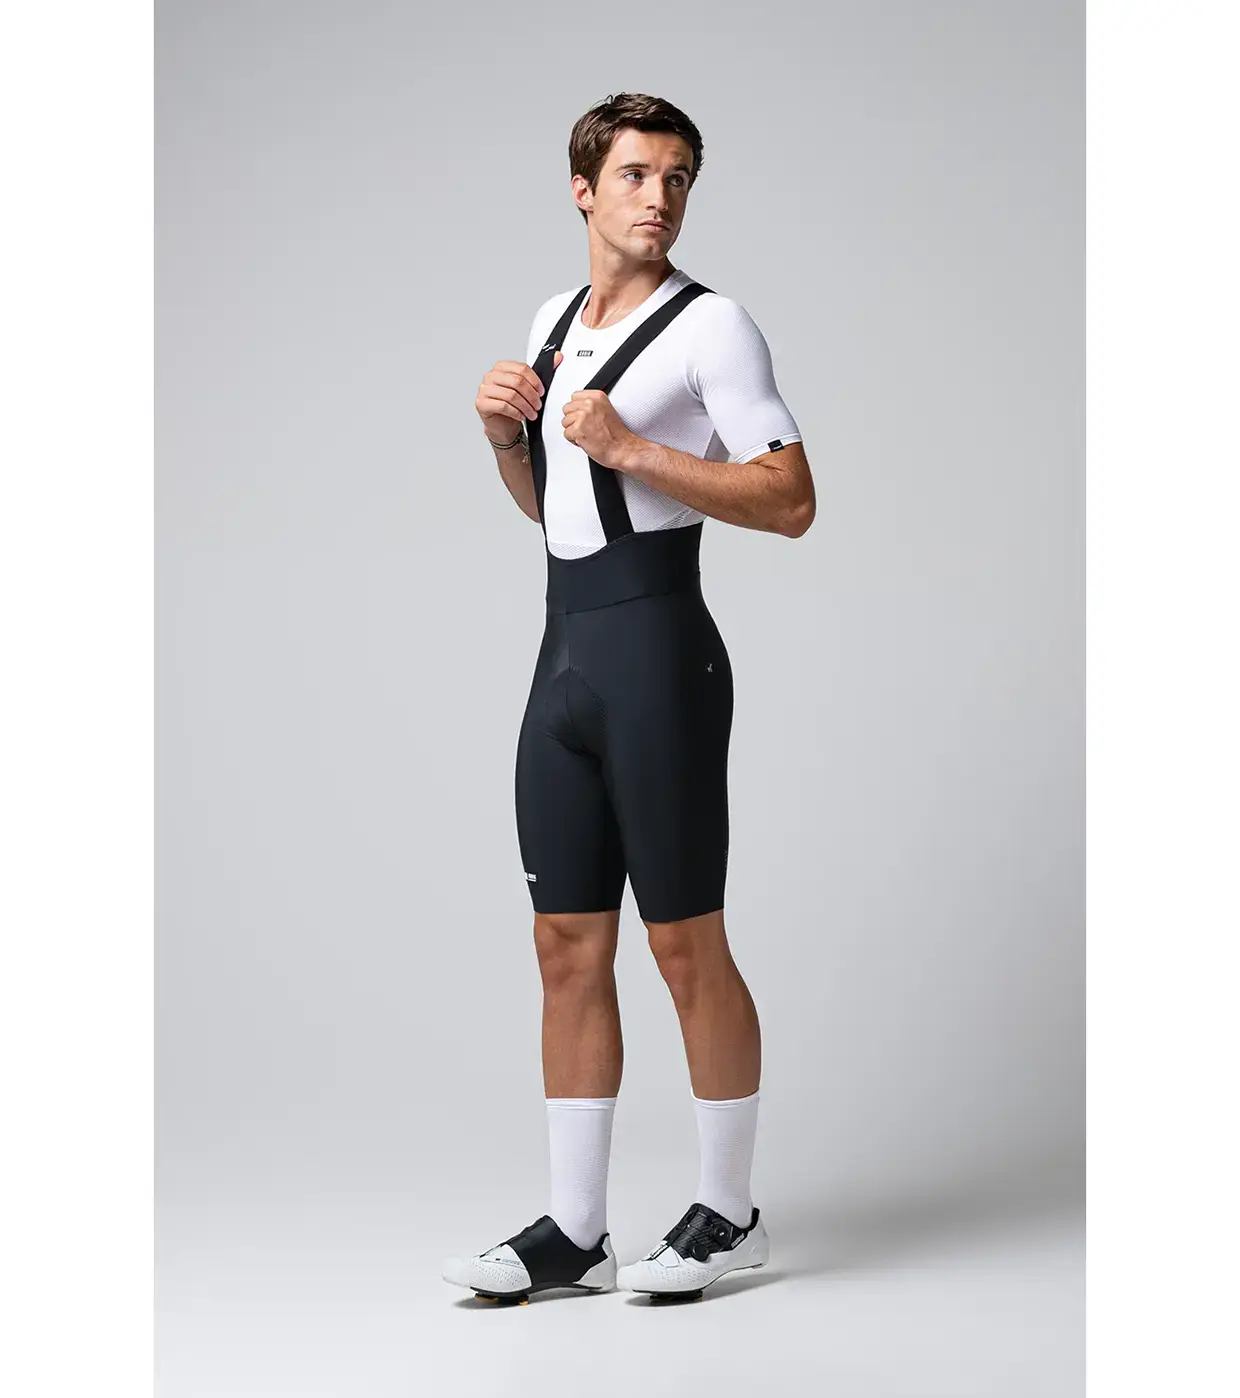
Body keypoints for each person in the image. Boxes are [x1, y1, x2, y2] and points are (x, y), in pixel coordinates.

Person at [443, 92, 815, 1305]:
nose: (660, 197)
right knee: (563, 945)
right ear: (583, 189)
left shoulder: (713, 329)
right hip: (563, 659)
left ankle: (730, 1211)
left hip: (660, 657)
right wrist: (508, 439)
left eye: (679, 178)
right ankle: (576, 1229)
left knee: (682, 942)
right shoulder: (553, 322)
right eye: (637, 175)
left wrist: (633, 448)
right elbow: (553, 515)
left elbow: (792, 499)